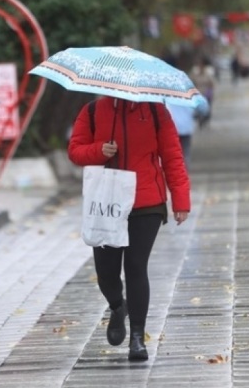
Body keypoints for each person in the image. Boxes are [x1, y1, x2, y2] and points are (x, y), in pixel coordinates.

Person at [68, 96, 191, 361]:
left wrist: (180, 199)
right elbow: (75, 151)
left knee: (136, 266)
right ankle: (117, 305)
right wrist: (99, 151)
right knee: (106, 274)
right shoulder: (92, 111)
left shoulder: (156, 113)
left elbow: (172, 157)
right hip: (107, 201)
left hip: (146, 202)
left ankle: (138, 337)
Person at [166, 99, 210, 165]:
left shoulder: (168, 94)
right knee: (185, 153)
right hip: (186, 127)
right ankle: (184, 171)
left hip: (173, 127)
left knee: (173, 153)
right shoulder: (189, 94)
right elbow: (203, 107)